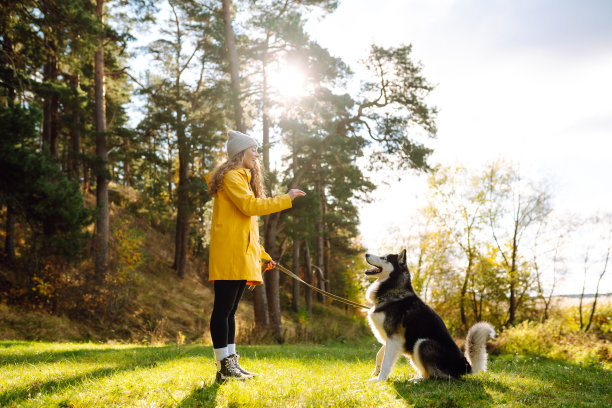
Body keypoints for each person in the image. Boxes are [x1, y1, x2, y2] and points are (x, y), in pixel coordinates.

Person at [205, 130, 306, 382]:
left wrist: (262, 255)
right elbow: (251, 207)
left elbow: (246, 227)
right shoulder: (232, 177)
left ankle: (230, 364)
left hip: (240, 254)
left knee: (230, 312)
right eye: (253, 150)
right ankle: (224, 367)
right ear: (241, 152)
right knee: (223, 310)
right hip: (230, 255)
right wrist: (286, 198)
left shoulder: (240, 177)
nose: (257, 155)